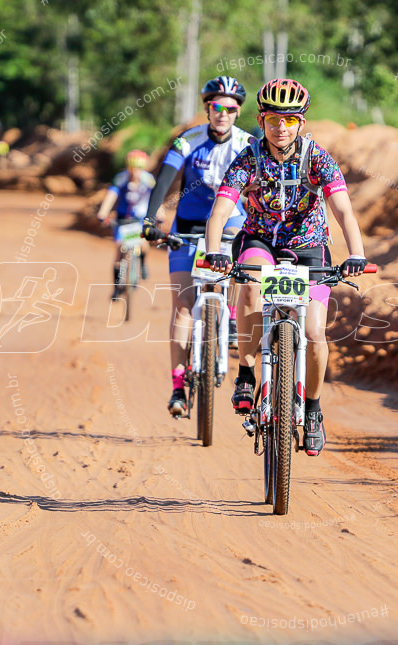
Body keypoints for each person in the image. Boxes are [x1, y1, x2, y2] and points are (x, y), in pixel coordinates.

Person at [203, 78, 367, 456]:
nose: (281, 128)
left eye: (290, 120)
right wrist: (215, 251)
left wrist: (356, 254)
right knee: (249, 286)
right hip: (260, 240)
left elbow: (342, 208)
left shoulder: (318, 158)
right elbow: (222, 210)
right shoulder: (247, 158)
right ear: (261, 120)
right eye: (274, 119)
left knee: (313, 332)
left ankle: (312, 410)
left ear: (301, 124)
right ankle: (246, 374)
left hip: (309, 246)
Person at [143, 76, 253, 416]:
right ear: (208, 109)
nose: (223, 114)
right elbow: (164, 178)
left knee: (245, 253)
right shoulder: (188, 140)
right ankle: (178, 385)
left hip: (231, 222)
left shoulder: (250, 143)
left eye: (230, 109)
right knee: (184, 305)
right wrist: (150, 219)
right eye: (217, 107)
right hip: (189, 226)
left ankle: (232, 315)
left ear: (238, 113)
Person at [98, 149, 156, 297]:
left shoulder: (148, 180)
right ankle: (117, 287)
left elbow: (156, 198)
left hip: (140, 218)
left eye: (138, 168)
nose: (135, 172)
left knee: (144, 245)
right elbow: (111, 195)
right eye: (132, 168)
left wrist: (159, 214)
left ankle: (142, 262)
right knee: (119, 249)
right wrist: (103, 213)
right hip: (123, 218)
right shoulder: (121, 178)